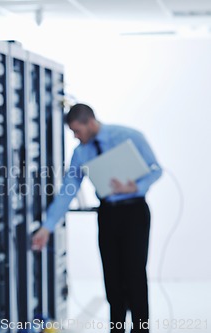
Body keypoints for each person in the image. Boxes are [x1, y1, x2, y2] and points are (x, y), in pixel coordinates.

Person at [32, 103, 162, 332]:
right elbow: (69, 189)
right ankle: (117, 328)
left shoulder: (129, 136)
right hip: (108, 214)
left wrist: (135, 186)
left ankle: (141, 328)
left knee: (134, 275)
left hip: (134, 212)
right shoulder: (81, 152)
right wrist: (47, 227)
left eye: (77, 131)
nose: (75, 136)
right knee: (112, 277)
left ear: (90, 123)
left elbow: (156, 170)